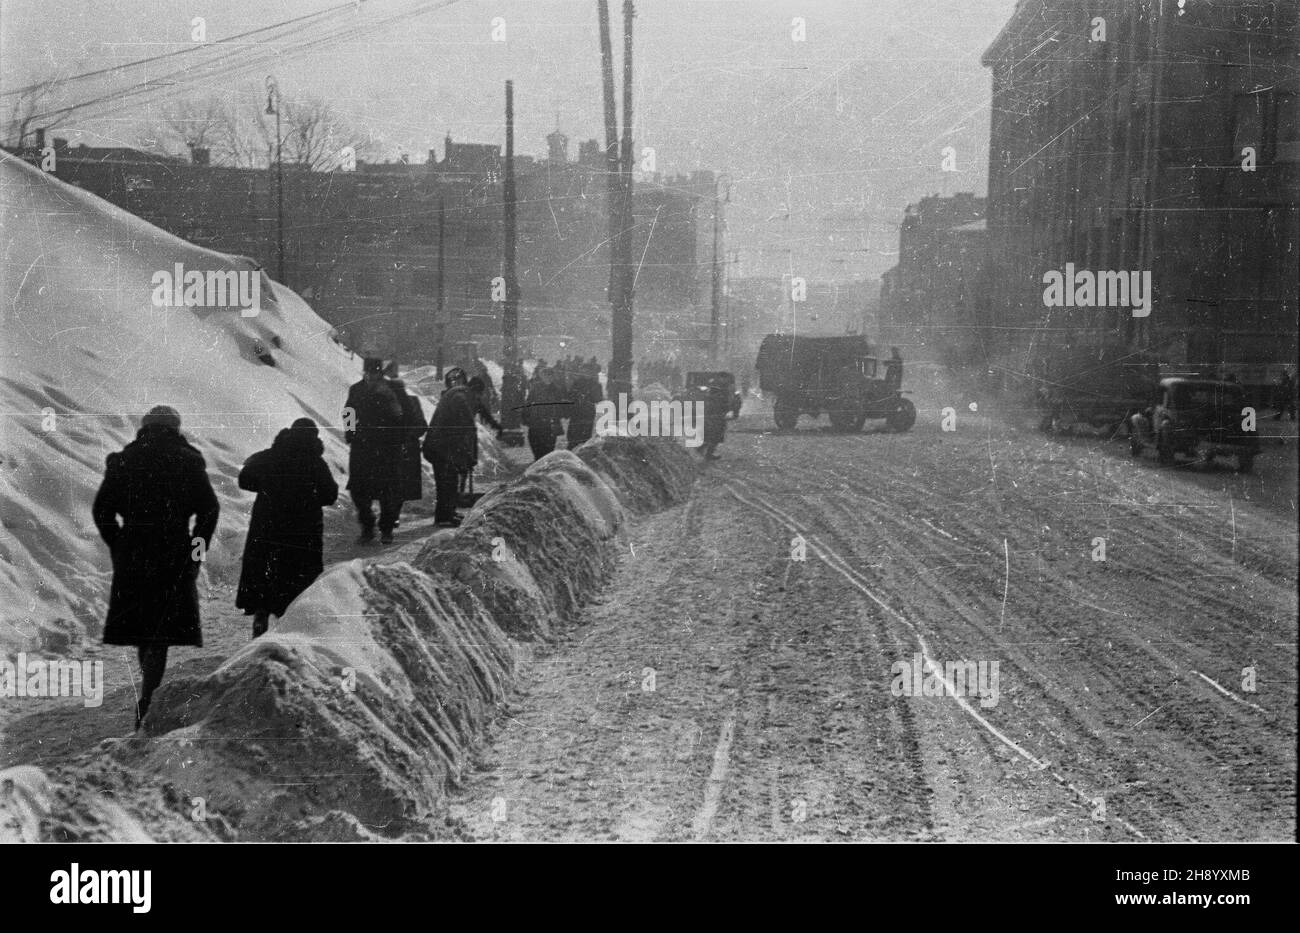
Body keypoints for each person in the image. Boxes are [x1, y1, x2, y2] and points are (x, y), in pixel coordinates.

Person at [92, 406, 219, 730]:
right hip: (173, 549)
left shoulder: (123, 460)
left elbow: (102, 509)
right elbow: (209, 511)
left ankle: (148, 689)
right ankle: (149, 695)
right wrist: (195, 552)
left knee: (141, 624)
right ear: (176, 429)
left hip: (133, 550)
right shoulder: (189, 461)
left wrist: (117, 542)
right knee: (161, 628)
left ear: (144, 429)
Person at [235, 418, 338, 638]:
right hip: (302, 530)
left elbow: (245, 480)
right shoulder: (315, 462)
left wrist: (265, 486)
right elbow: (330, 494)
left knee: (266, 573)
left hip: (267, 526)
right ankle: (290, 628)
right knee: (296, 579)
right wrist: (310, 498)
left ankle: (261, 615)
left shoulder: (271, 455)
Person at [343, 358, 404, 544]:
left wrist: (397, 439)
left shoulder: (391, 389)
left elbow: (400, 416)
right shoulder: (356, 389)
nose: (370, 376)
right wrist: (350, 433)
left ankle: (386, 529)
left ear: (380, 372)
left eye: (374, 372)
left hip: (385, 446)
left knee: (387, 490)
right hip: (362, 445)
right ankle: (367, 526)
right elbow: (348, 412)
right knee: (359, 490)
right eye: (368, 372)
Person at [422, 367, 475, 527]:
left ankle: (447, 513)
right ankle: (444, 516)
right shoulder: (458, 397)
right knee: (447, 482)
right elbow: (465, 424)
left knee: (448, 481)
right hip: (441, 448)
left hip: (441, 447)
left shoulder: (452, 396)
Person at [384, 361, 428, 529]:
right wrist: (351, 431)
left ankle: (391, 516)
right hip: (390, 449)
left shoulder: (412, 402)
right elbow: (349, 411)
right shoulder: (379, 402)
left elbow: (422, 425)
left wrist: (409, 436)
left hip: (406, 450)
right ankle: (388, 517)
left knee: (399, 486)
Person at [524, 364, 568, 460]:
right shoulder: (536, 387)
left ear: (552, 377)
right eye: (545, 375)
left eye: (550, 375)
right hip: (537, 420)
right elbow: (529, 401)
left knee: (548, 445)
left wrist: (560, 413)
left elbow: (560, 404)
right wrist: (526, 415)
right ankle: (538, 460)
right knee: (535, 441)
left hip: (550, 422)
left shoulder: (556, 389)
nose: (548, 378)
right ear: (542, 376)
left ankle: (544, 461)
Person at [566, 366, 602, 448]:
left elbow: (599, 398)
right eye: (585, 372)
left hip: (588, 412)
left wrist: (589, 397)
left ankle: (583, 449)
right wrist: (578, 396)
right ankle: (571, 447)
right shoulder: (577, 383)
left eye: (588, 372)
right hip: (577, 411)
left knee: (585, 434)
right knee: (573, 434)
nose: (587, 374)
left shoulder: (596, 384)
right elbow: (570, 395)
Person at [701, 376, 729, 461]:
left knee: (712, 438)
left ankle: (703, 449)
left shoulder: (709, 399)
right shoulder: (716, 400)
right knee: (715, 438)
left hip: (712, 420)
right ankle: (708, 454)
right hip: (717, 420)